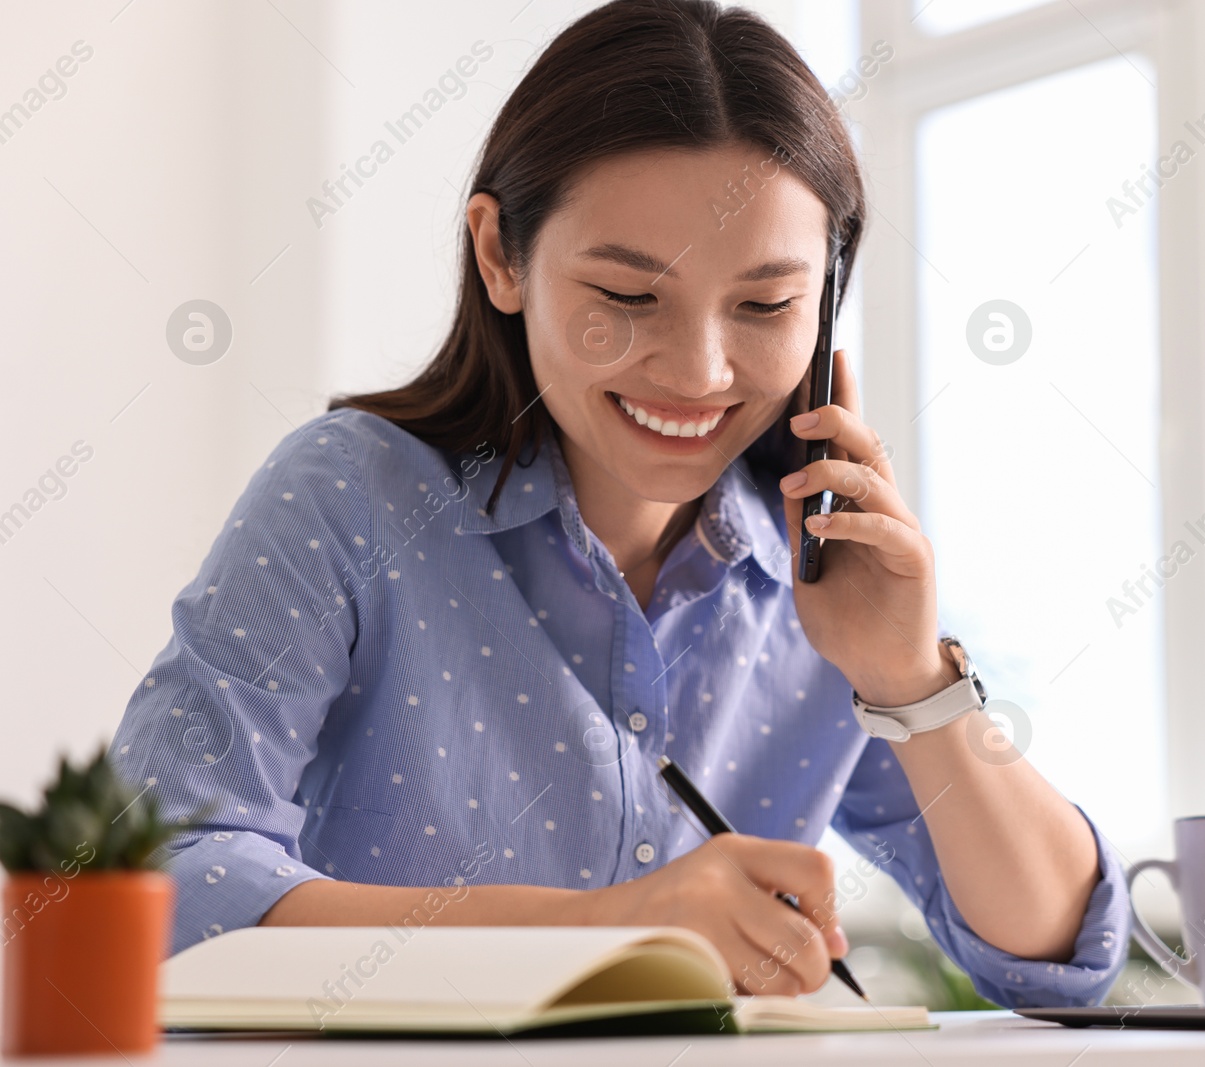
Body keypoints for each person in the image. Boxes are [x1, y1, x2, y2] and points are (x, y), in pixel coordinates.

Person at [109, 0, 1129, 1007]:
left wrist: (910, 681)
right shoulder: (349, 498)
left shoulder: (819, 571)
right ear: (501, 255)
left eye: (767, 304)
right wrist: (618, 926)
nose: (697, 369)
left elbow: (1048, 953)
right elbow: (149, 883)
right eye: (629, 297)